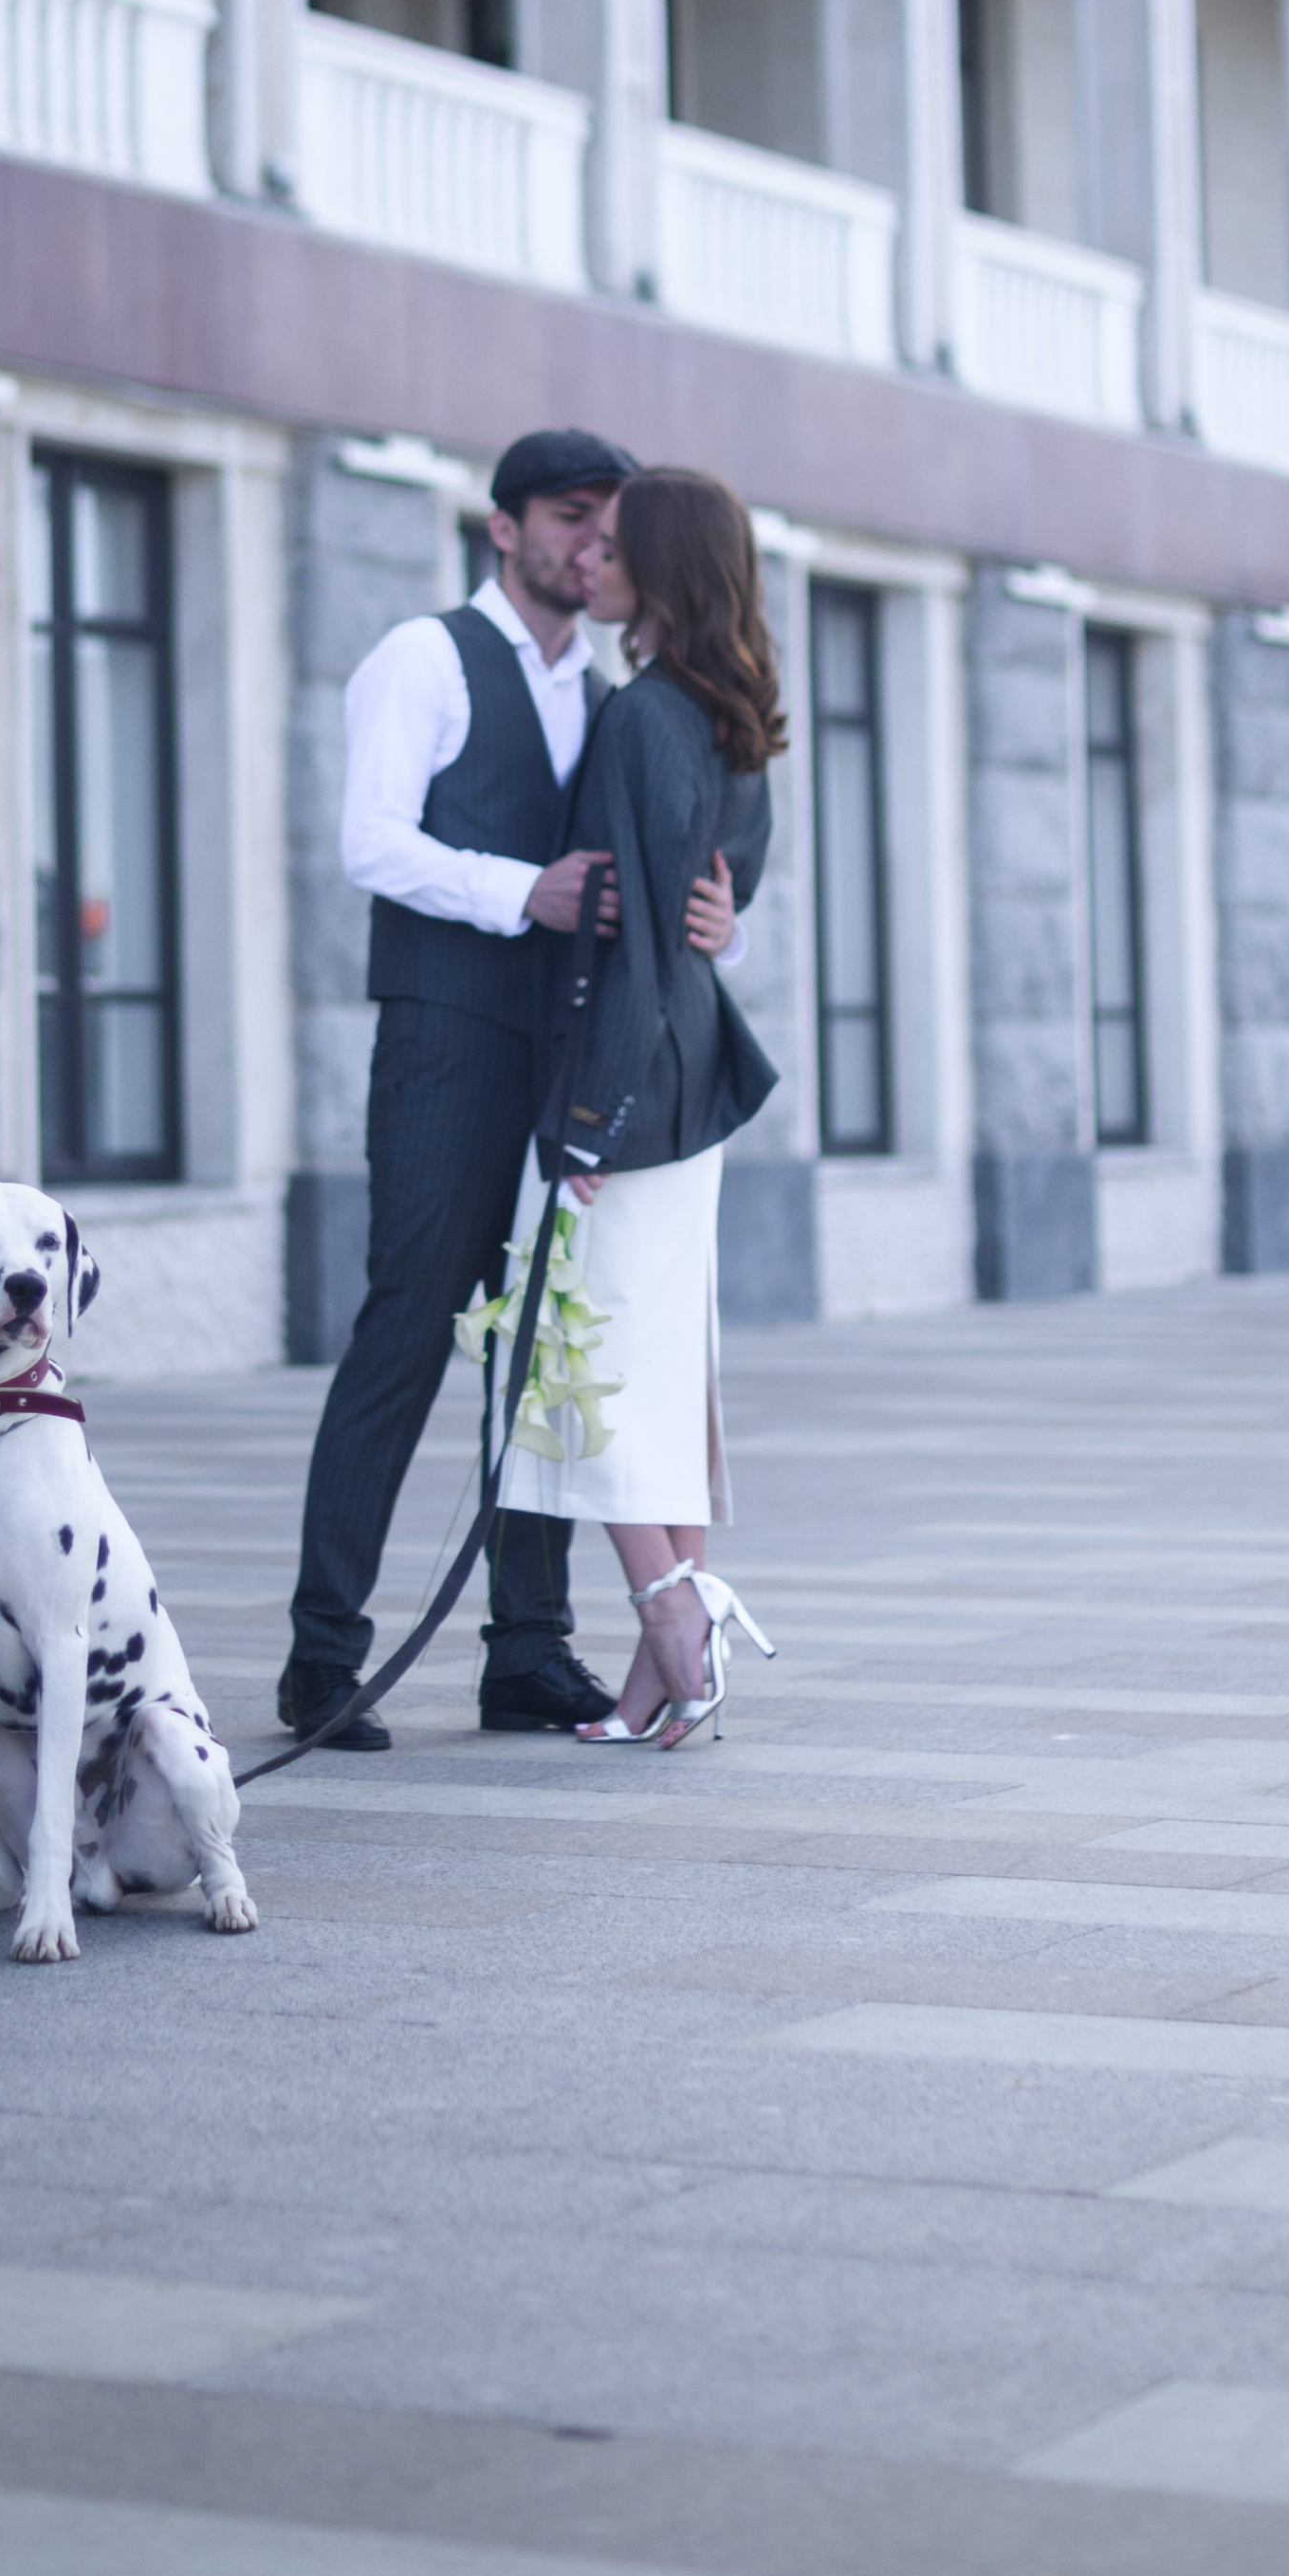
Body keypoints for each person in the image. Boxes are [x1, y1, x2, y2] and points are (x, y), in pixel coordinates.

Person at [278, 429, 738, 1751]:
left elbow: (656, 883)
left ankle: (528, 1652)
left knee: (542, 1347)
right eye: (572, 518)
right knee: (411, 1328)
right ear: (504, 528)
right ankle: (324, 1657)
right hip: (444, 1045)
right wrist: (512, 890)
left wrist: (722, 924)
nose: (596, 543)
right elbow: (370, 840)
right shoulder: (422, 657)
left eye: (612, 525)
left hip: (562, 1066)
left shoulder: (611, 692)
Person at [493, 467, 785, 1749]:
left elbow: (634, 945)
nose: (595, 557)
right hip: (692, 1095)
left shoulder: (640, 717)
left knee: (580, 1369)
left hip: (632, 1094)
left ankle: (673, 1622)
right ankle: (662, 1664)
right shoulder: (732, 715)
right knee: (656, 1372)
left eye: (618, 544)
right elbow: (723, 900)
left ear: (657, 569)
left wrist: (586, 1118)